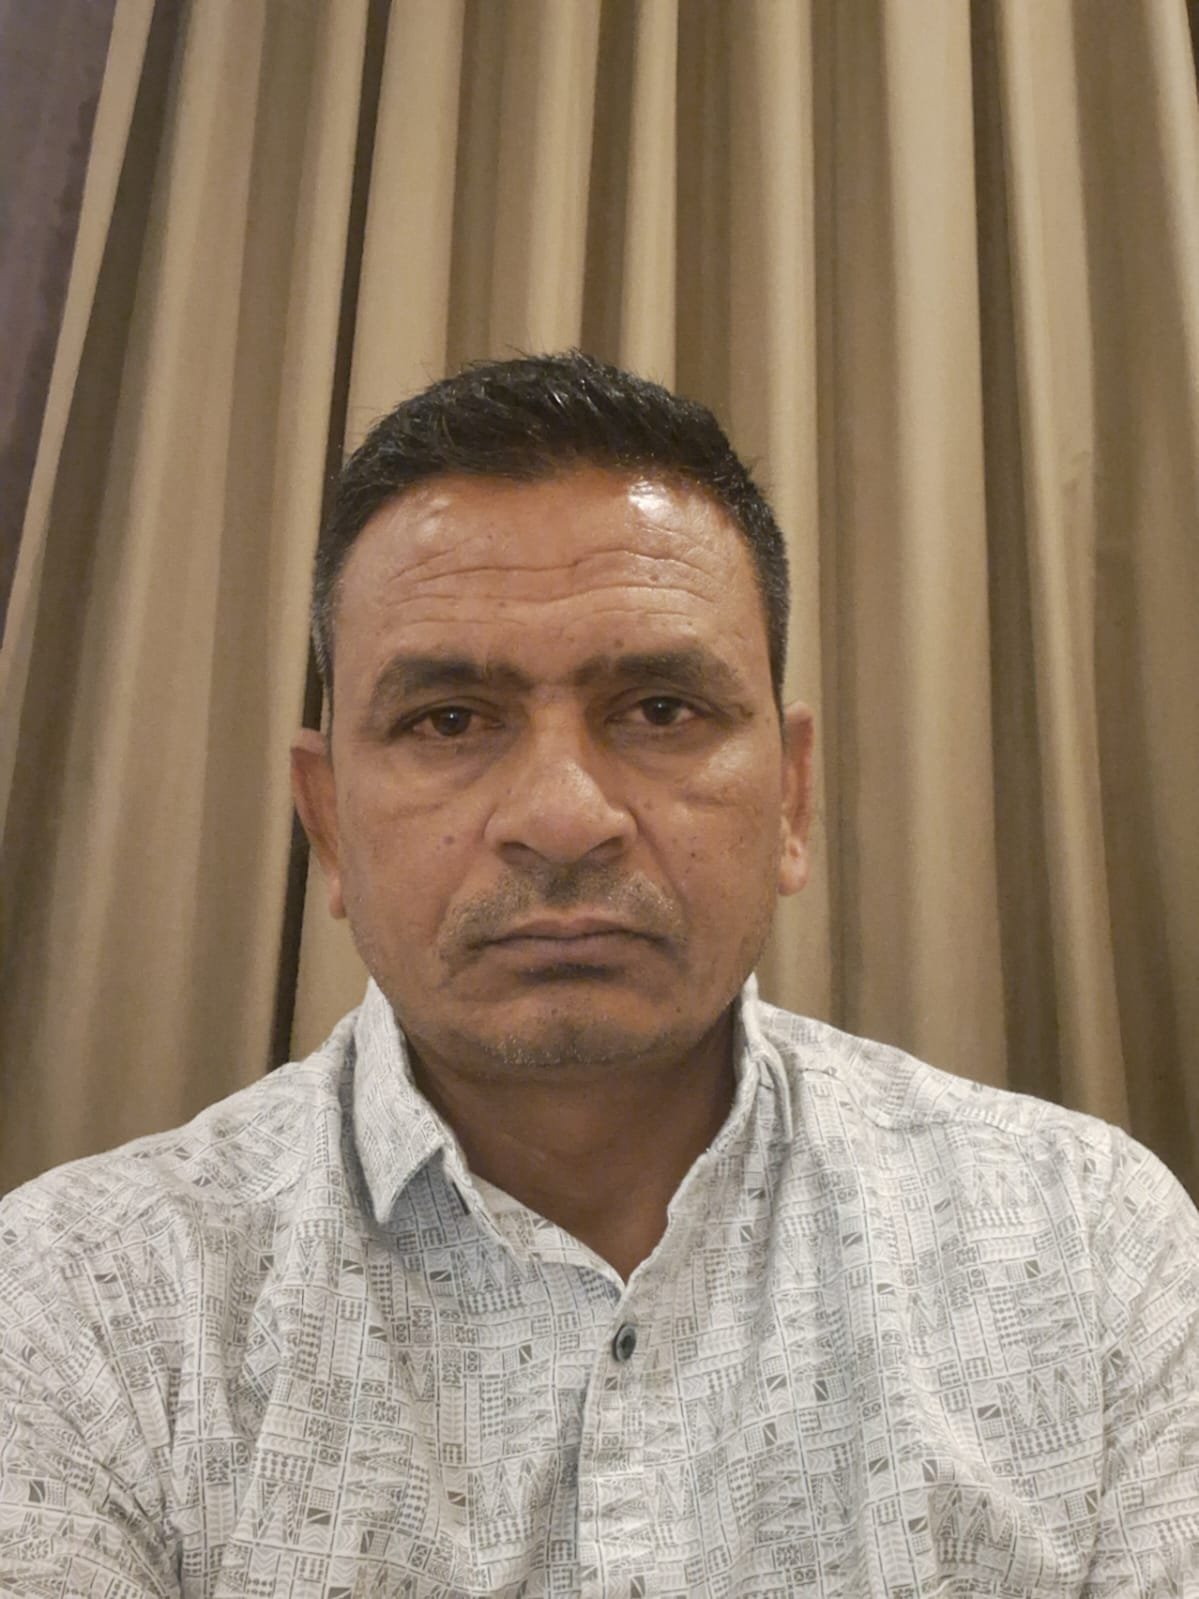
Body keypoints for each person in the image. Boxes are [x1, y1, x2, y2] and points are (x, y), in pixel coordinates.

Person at [0, 352, 1195, 1598]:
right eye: (448, 720)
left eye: (660, 709)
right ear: (329, 825)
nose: (563, 819)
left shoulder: (1084, 1246)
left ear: (790, 798)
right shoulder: (81, 1303)